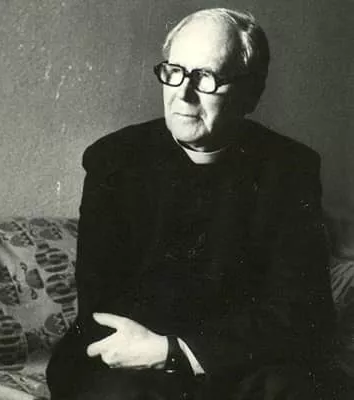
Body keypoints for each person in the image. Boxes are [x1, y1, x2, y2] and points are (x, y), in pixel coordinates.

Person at [46, 8, 338, 400]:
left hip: (239, 361)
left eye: (205, 77)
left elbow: (301, 311)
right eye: (174, 72)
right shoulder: (114, 160)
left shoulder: (290, 169)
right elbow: (104, 305)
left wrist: (180, 351)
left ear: (251, 92)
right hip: (129, 357)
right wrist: (165, 353)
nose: (182, 94)